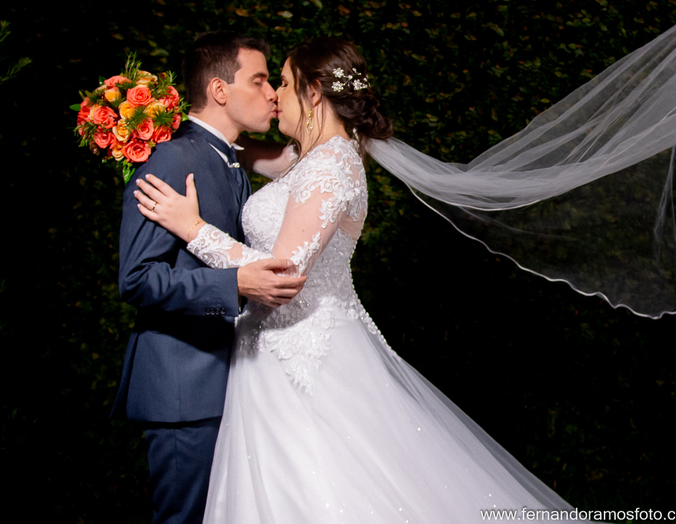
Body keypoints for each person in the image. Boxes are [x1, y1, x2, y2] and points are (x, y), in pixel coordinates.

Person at [134, 37, 572, 521]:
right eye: (268, 82)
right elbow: (240, 151)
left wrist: (192, 228)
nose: (276, 94)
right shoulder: (312, 158)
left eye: (281, 82)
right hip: (268, 355)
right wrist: (164, 124)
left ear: (314, 92)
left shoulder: (332, 165)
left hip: (301, 352)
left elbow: (283, 274)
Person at [112, 32, 308, 524]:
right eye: (260, 80)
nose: (272, 94)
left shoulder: (230, 159)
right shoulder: (172, 160)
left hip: (229, 382)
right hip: (183, 391)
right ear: (220, 91)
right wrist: (234, 285)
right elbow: (136, 278)